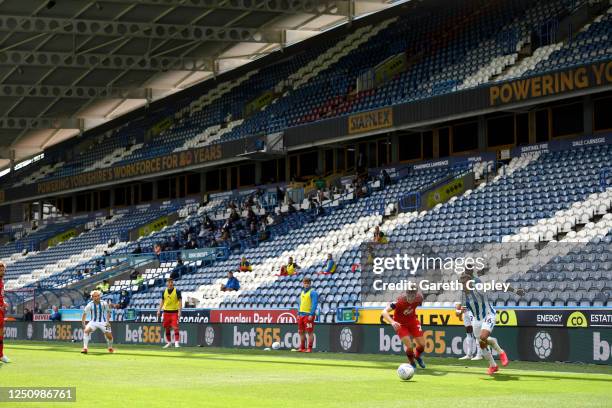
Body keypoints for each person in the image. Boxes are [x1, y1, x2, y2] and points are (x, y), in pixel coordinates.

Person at [459, 272, 513, 375]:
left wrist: (510, 289)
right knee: (482, 344)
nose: (462, 286)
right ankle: (493, 366)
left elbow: (494, 287)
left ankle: (501, 352)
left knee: (483, 337)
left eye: (464, 284)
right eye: (461, 284)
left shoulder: (478, 288)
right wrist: (459, 311)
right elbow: (462, 309)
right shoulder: (462, 295)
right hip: (476, 319)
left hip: (488, 315)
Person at [381, 287, 426, 369]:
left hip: (413, 322)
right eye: (409, 294)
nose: (411, 297)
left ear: (416, 295)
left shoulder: (419, 298)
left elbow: (413, 307)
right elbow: (384, 312)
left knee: (422, 345)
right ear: (406, 293)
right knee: (410, 346)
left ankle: (417, 356)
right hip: (400, 325)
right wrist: (392, 322)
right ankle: (412, 363)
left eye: (413, 295)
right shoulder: (399, 301)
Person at [81, 290, 114, 354]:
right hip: (93, 322)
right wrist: (83, 324)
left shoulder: (104, 303)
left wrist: (107, 322)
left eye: (98, 296)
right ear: (92, 297)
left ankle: (110, 347)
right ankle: (85, 348)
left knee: (109, 336)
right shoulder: (90, 304)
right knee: (86, 331)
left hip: (104, 322)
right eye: (95, 296)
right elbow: (84, 314)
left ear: (99, 296)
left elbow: (108, 312)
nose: (96, 297)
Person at [157, 278, 182, 348]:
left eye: (171, 282)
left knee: (175, 327)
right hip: (166, 312)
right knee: (167, 328)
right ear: (167, 283)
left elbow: (180, 302)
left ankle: (176, 343)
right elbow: (162, 302)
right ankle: (169, 342)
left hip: (174, 312)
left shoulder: (177, 291)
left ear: (173, 283)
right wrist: (159, 310)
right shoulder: (163, 292)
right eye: (169, 282)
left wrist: (180, 311)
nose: (170, 284)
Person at [297, 277, 318, 353]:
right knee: (301, 332)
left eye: (307, 283)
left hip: (308, 315)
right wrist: (298, 313)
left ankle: (309, 348)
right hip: (301, 315)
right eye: (304, 283)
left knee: (309, 332)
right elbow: (300, 303)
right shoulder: (302, 292)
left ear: (310, 284)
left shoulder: (313, 292)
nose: (306, 284)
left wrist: (311, 314)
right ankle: (302, 347)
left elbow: (314, 304)